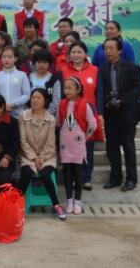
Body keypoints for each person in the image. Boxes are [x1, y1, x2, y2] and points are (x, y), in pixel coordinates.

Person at [97, 37, 140, 192]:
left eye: (111, 48)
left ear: (119, 50)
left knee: (129, 147)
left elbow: (138, 90)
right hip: (110, 115)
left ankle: (131, 179)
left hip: (127, 114)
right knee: (112, 148)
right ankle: (115, 178)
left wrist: (121, 101)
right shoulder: (102, 70)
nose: (108, 51)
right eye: (106, 49)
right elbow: (100, 92)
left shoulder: (132, 68)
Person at [16, 88, 66, 220]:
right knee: (26, 173)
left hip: (47, 157)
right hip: (28, 156)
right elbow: (23, 141)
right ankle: (16, 205)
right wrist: (33, 157)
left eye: (38, 98)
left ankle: (56, 205)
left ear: (45, 101)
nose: (35, 100)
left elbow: (51, 143)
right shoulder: (23, 116)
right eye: (33, 97)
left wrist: (41, 158)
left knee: (45, 174)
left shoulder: (50, 119)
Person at [59, 40, 101, 190]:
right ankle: (71, 179)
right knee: (71, 146)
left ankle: (86, 178)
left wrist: (100, 113)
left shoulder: (95, 70)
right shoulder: (63, 71)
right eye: (73, 52)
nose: (76, 55)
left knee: (87, 146)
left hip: (88, 113)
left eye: (79, 52)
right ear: (69, 55)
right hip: (69, 114)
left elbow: (99, 93)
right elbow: (61, 94)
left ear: (85, 54)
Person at [58, 77, 97, 214]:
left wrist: (84, 137)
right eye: (65, 88)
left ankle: (78, 201)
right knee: (67, 173)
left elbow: (93, 124)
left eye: (70, 88)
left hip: (78, 145)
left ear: (78, 89)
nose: (66, 91)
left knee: (78, 173)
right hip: (65, 144)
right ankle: (69, 200)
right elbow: (58, 122)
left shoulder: (85, 104)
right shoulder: (62, 104)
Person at [0, 47, 31, 118]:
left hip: (19, 115)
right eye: (4, 57)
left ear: (15, 58)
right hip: (1, 115)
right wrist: (1, 106)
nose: (6, 59)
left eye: (10, 57)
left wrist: (12, 104)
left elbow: (27, 94)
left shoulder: (22, 75)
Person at [29, 50, 62, 117]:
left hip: (48, 118)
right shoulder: (28, 78)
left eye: (44, 62)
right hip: (30, 116)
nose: (41, 65)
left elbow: (56, 100)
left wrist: (45, 115)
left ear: (49, 64)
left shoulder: (54, 79)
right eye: (38, 62)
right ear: (34, 63)